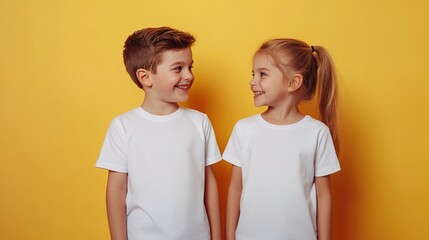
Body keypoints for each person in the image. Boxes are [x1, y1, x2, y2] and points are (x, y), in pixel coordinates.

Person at [96, 27, 222, 240]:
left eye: (190, 67)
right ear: (145, 77)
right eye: (178, 68)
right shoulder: (123, 126)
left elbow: (210, 184)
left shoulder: (199, 122)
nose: (188, 75)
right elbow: (116, 191)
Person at [224, 38, 341, 240]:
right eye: (253, 74)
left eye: (262, 74)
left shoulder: (316, 133)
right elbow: (235, 188)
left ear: (293, 82)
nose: (253, 81)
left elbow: (324, 196)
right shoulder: (244, 129)